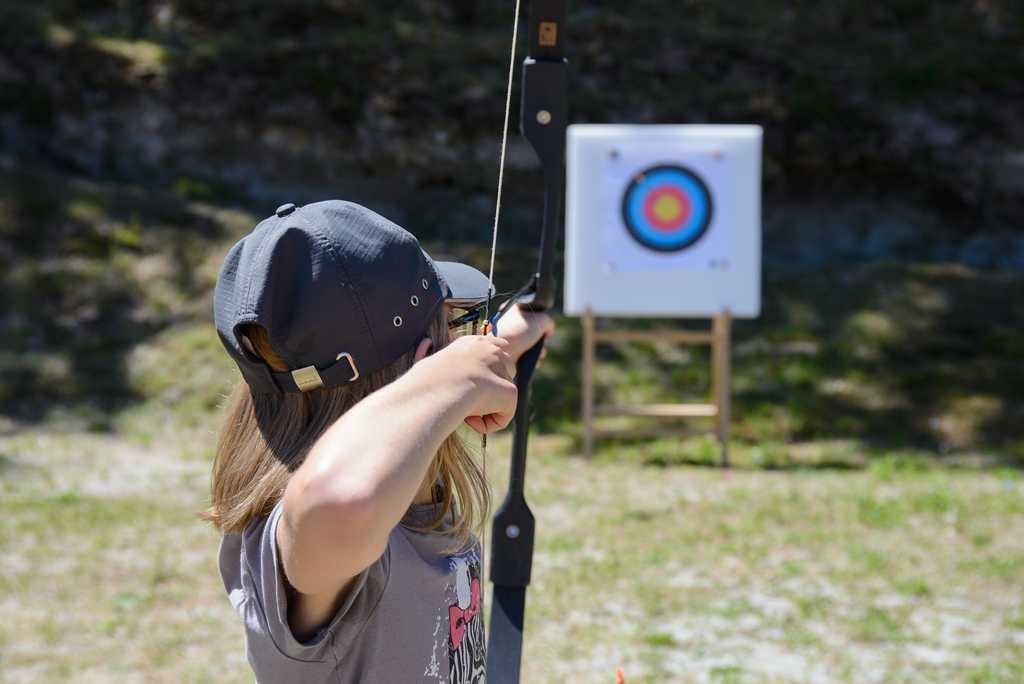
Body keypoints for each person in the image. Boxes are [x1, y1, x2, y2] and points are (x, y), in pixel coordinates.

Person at [203, 200, 554, 683]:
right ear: (422, 369)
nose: (462, 343)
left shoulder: (399, 478)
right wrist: (449, 382)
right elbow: (343, 497)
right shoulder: (309, 533)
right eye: (450, 328)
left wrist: (504, 343)